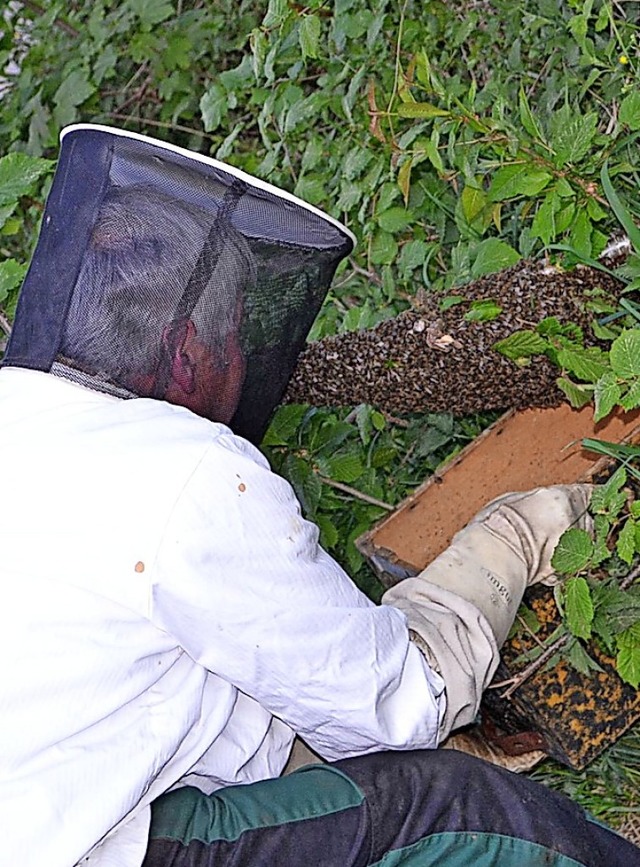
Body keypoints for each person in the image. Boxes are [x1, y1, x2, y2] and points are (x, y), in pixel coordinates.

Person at [0, 124, 637, 867]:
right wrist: (516, 535)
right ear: (183, 350)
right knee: (458, 809)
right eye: (238, 335)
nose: (244, 359)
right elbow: (400, 709)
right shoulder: (185, 477)